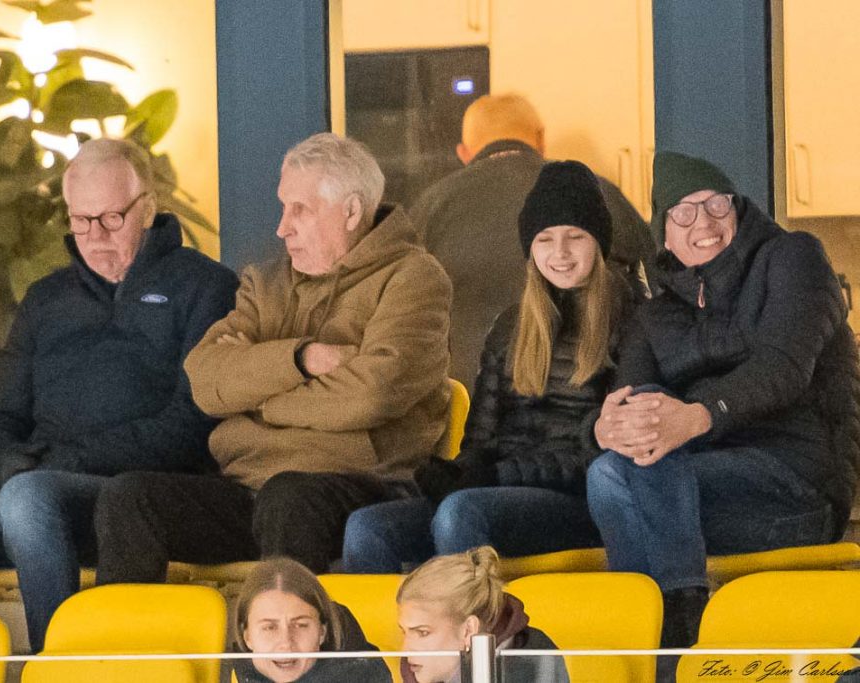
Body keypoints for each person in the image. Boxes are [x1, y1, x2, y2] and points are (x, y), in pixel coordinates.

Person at [0, 138, 239, 652]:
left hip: (131, 503)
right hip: (31, 493)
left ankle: (58, 665)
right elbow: (2, 417)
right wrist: (3, 464)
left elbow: (191, 423)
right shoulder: (47, 298)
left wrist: (63, 464)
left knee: (29, 497)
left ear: (149, 208)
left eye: (111, 219)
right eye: (81, 221)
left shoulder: (206, 287)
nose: (95, 237)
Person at [92, 132, 452, 579]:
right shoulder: (265, 284)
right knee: (129, 496)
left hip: (362, 484)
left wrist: (257, 397)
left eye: (300, 209)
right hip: (248, 486)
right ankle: (127, 630)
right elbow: (205, 380)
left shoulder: (414, 278)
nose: (282, 228)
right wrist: (301, 360)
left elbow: (371, 395)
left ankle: (292, 626)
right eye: (283, 207)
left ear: (351, 211)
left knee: (288, 497)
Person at [586, 151, 860, 650]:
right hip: (691, 496)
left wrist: (699, 416)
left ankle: (663, 637)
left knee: (626, 476)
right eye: (683, 212)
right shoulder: (655, 316)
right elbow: (630, 404)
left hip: (797, 488)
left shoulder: (792, 258)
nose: (704, 223)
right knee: (608, 469)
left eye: (716, 204)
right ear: (664, 234)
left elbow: (783, 368)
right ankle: (674, 618)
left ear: (737, 207)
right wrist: (606, 428)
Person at [343, 160, 631, 573]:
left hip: (581, 501)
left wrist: (496, 476)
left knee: (460, 513)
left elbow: (608, 461)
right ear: (529, 248)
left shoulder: (629, 322)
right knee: (368, 528)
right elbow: (480, 442)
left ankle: (473, 618)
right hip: (498, 490)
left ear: (598, 243)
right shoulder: (511, 327)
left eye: (575, 237)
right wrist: (458, 472)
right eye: (545, 239)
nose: (560, 253)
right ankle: (395, 619)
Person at [409, 93, 654, 391]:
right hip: (590, 392)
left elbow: (407, 315)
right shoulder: (599, 193)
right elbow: (656, 287)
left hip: (471, 395)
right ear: (540, 138)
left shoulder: (432, 206)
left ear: (464, 152)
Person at [397, 546, 568, 683]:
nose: (406, 649)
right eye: (405, 632)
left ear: (468, 630)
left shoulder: (535, 663)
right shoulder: (417, 669)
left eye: (423, 633)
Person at [227, 557, 392, 683]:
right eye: (270, 627)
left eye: (301, 625)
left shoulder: (364, 675)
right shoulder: (248, 674)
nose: (286, 643)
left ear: (322, 632)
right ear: (247, 637)